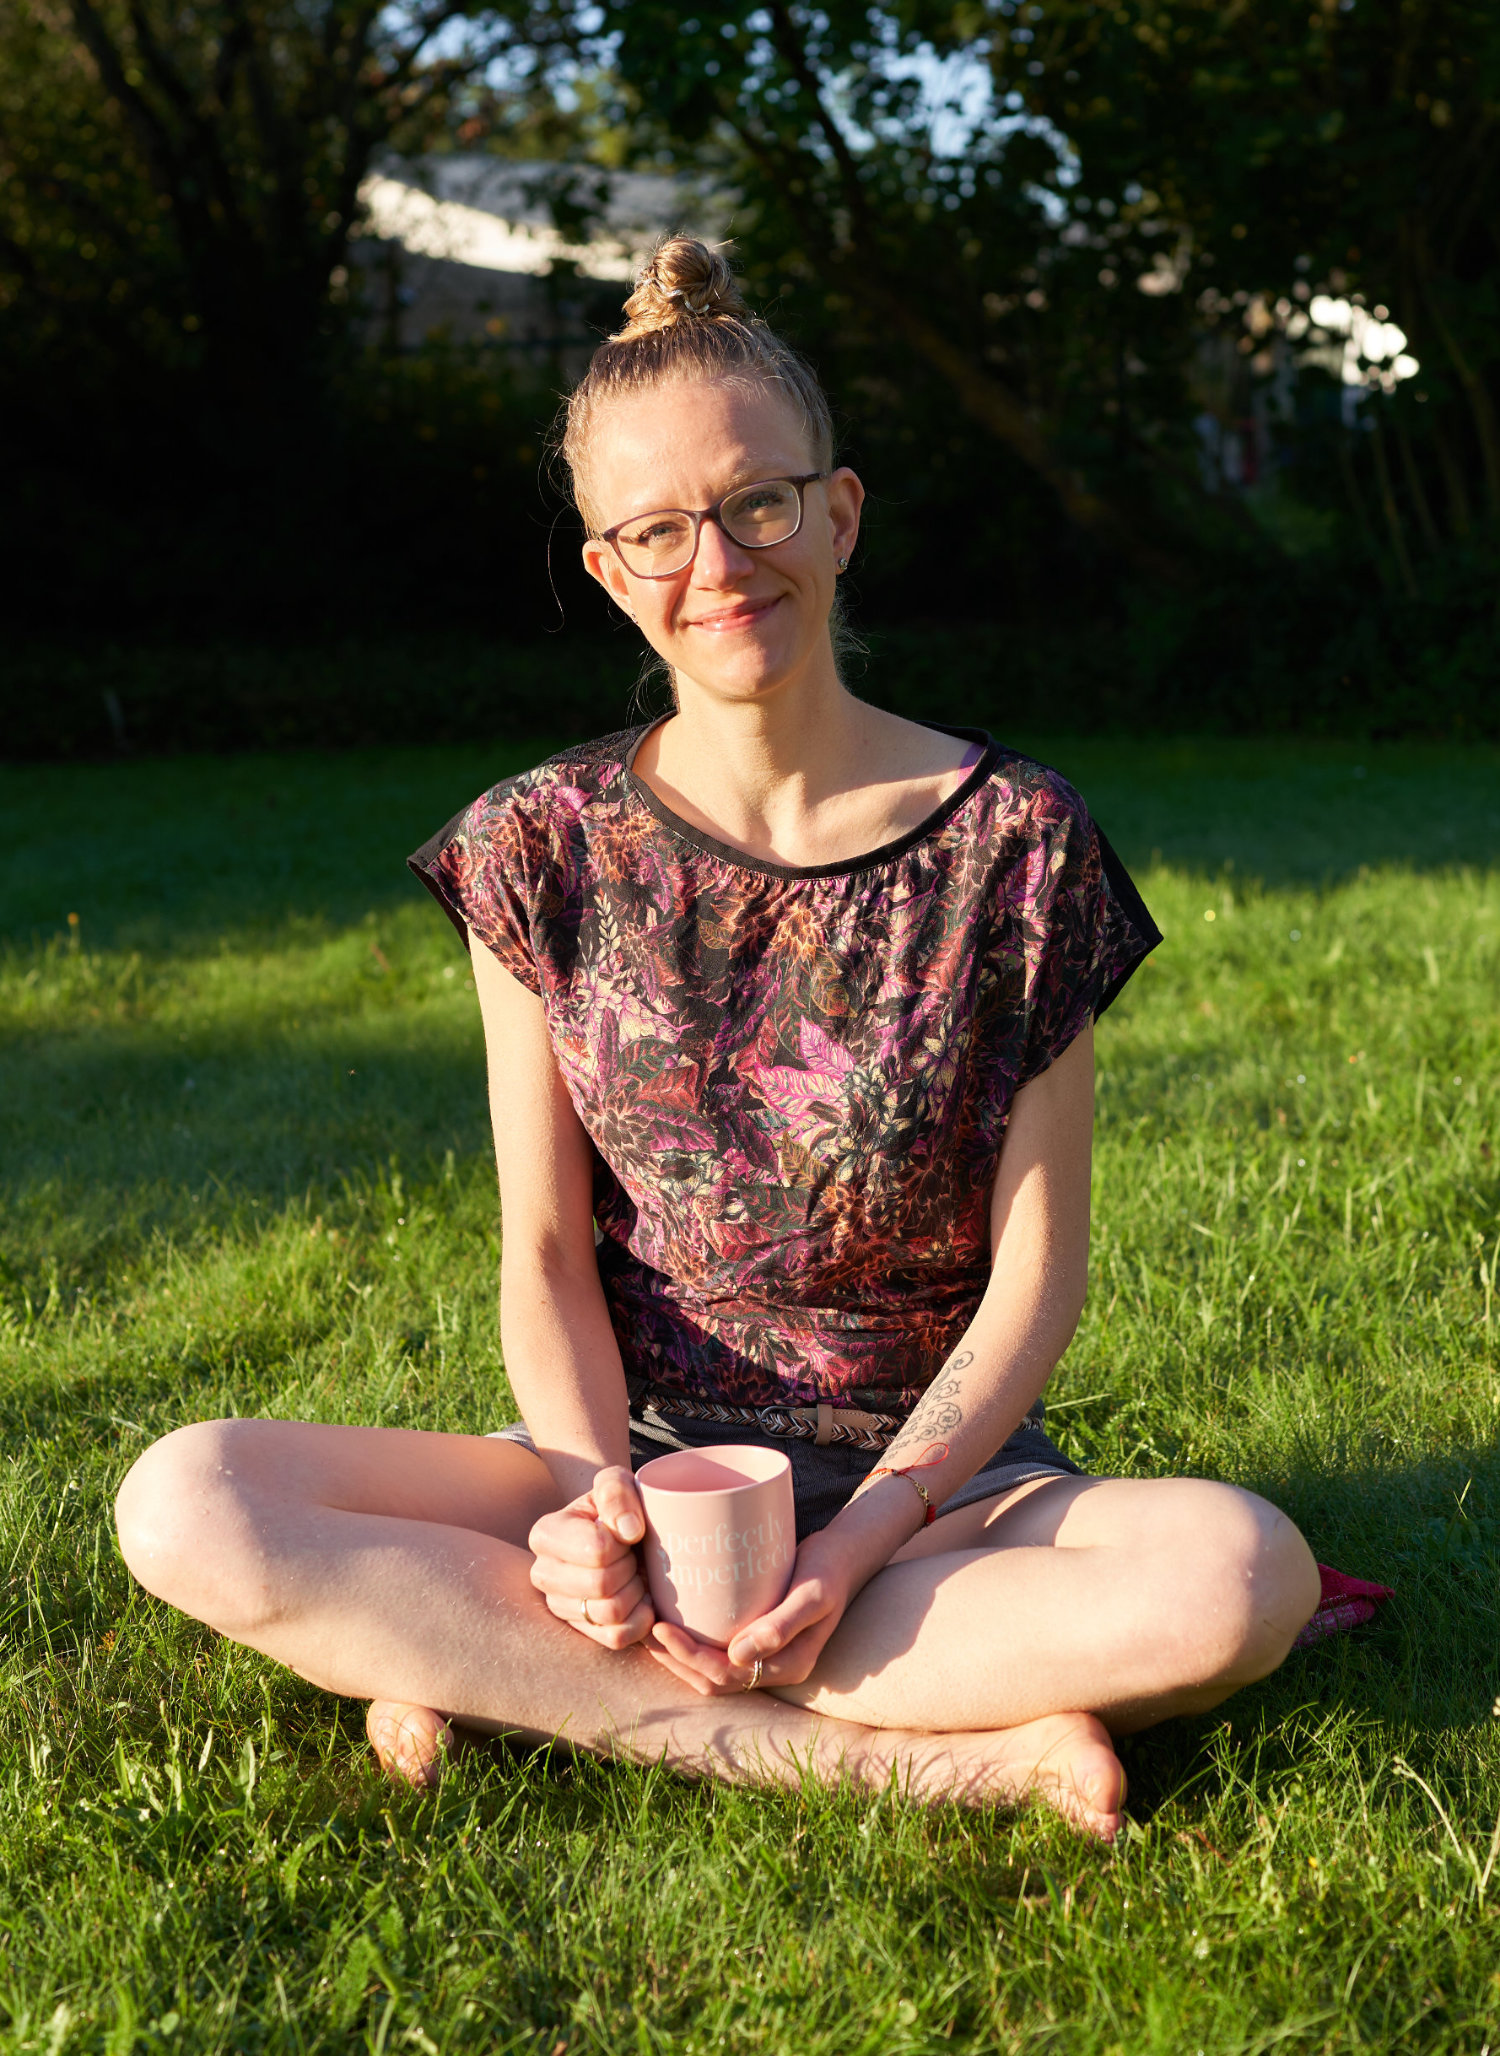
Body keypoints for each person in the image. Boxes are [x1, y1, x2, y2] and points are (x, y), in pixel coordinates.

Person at [115, 239, 1320, 1842]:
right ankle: (939, 1759)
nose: (722, 563)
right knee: (186, 1499)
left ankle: (491, 1668)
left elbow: (1039, 1279)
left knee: (1243, 1575)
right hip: (633, 1455)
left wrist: (861, 1538)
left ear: (839, 512)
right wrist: (586, 1498)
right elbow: (544, 1253)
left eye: (762, 503)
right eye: (660, 530)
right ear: (610, 568)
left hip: (941, 1493)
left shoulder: (1019, 839)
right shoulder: (537, 844)